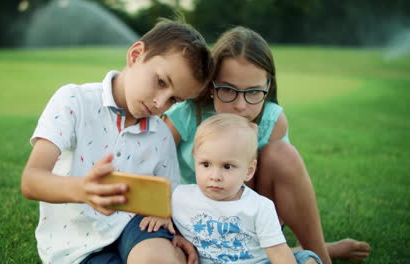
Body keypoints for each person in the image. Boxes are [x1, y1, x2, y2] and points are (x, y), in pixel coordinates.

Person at [162, 26, 371, 263]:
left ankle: (320, 253)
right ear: (211, 85)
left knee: (279, 154)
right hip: (193, 223)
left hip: (250, 220)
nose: (240, 106)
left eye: (253, 92)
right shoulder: (187, 115)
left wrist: (246, 138)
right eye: (228, 90)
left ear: (268, 86)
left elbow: (269, 182)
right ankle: (301, 251)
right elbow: (153, 162)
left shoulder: (271, 119)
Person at [21, 18, 213, 264]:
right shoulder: (73, 101)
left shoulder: (161, 134)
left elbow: (166, 197)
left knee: (158, 258)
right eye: (161, 82)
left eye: (173, 99)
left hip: (137, 225)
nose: (160, 103)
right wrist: (83, 190)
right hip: (77, 245)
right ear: (135, 55)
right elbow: (31, 180)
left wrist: (173, 226)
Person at [140, 113, 322, 264]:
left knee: (307, 261)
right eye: (205, 164)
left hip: (260, 262)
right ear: (195, 160)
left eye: (227, 166)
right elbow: (161, 212)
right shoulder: (180, 196)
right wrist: (161, 217)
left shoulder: (259, 207)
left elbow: (279, 255)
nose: (215, 176)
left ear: (249, 171)